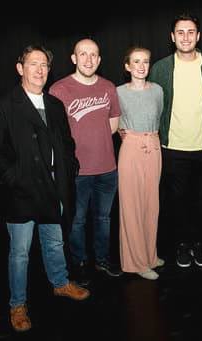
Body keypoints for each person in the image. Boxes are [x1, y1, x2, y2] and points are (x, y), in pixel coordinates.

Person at [0, 45, 90, 332]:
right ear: (20, 68)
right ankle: (17, 304)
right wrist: (15, 178)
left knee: (55, 242)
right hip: (21, 193)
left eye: (44, 64)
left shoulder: (55, 105)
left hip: (55, 188)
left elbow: (68, 144)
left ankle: (60, 283)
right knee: (19, 252)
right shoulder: (5, 105)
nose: (40, 70)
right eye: (33, 64)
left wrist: (70, 168)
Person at [149, 13, 202, 268]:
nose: (186, 37)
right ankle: (182, 243)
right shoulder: (160, 68)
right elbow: (150, 103)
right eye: (180, 32)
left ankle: (200, 243)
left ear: (198, 36)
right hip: (172, 147)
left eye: (191, 32)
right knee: (177, 202)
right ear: (172, 37)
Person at [49, 38, 122, 284]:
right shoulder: (59, 89)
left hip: (107, 169)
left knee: (103, 218)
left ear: (99, 60)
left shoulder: (108, 87)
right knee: (77, 220)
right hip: (76, 171)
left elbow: (113, 125)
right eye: (83, 54)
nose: (88, 60)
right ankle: (79, 262)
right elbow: (54, 133)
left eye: (93, 55)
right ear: (73, 58)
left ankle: (102, 260)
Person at [116, 46, 165, 280]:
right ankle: (136, 262)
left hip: (154, 146)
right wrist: (125, 134)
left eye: (145, 61)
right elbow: (115, 122)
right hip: (131, 149)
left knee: (151, 204)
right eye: (136, 62)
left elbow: (158, 116)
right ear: (127, 66)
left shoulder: (157, 90)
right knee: (132, 206)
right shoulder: (118, 92)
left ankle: (150, 255)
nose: (141, 66)